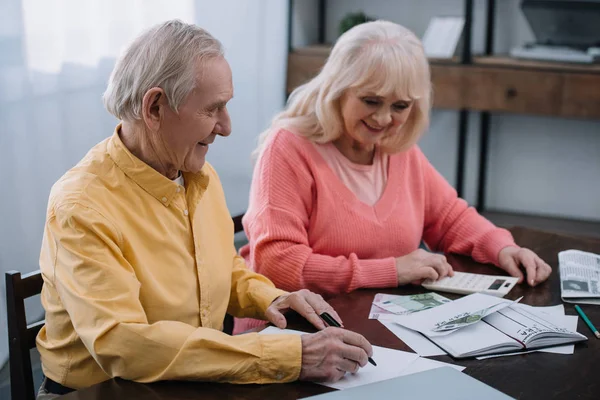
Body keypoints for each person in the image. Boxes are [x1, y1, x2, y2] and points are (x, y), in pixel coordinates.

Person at [35, 20, 373, 399]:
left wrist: (272, 298)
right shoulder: (81, 205)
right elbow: (123, 344)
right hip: (104, 392)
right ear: (155, 107)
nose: (226, 127)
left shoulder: (198, 174)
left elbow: (220, 269)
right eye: (213, 109)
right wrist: (289, 355)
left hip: (190, 382)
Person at [239, 20, 552, 308]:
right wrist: (390, 271)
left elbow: (449, 218)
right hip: (292, 330)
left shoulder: (396, 148)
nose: (384, 119)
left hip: (378, 317)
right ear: (338, 89)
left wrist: (503, 248)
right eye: (371, 101)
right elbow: (277, 264)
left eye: (400, 106)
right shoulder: (289, 148)